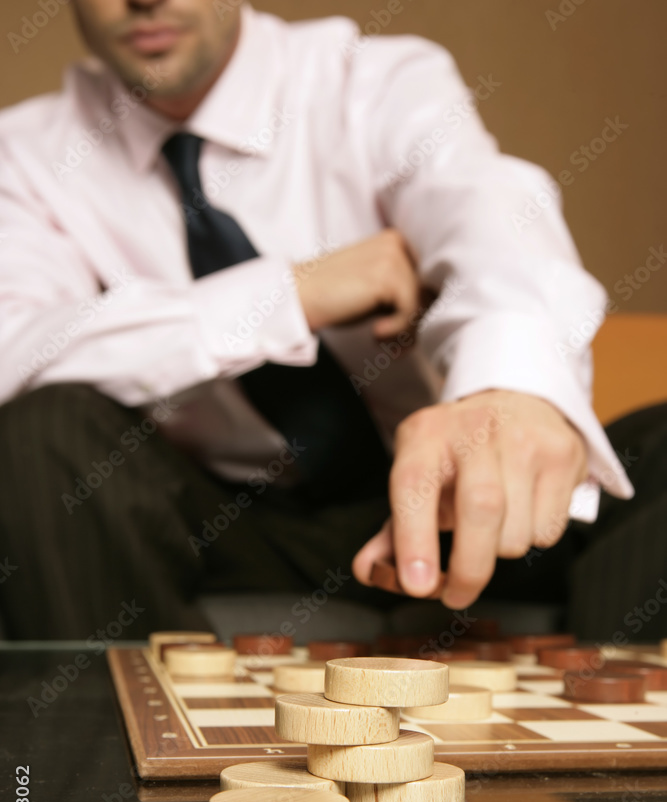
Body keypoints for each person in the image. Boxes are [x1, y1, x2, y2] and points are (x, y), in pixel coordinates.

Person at [0, 0, 650, 642]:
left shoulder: (373, 81)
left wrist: (506, 386)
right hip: (231, 524)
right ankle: (118, 741)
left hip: (451, 497)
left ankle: (621, 726)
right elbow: (14, 349)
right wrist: (298, 292)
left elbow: (486, 212)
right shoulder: (26, 155)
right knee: (44, 430)